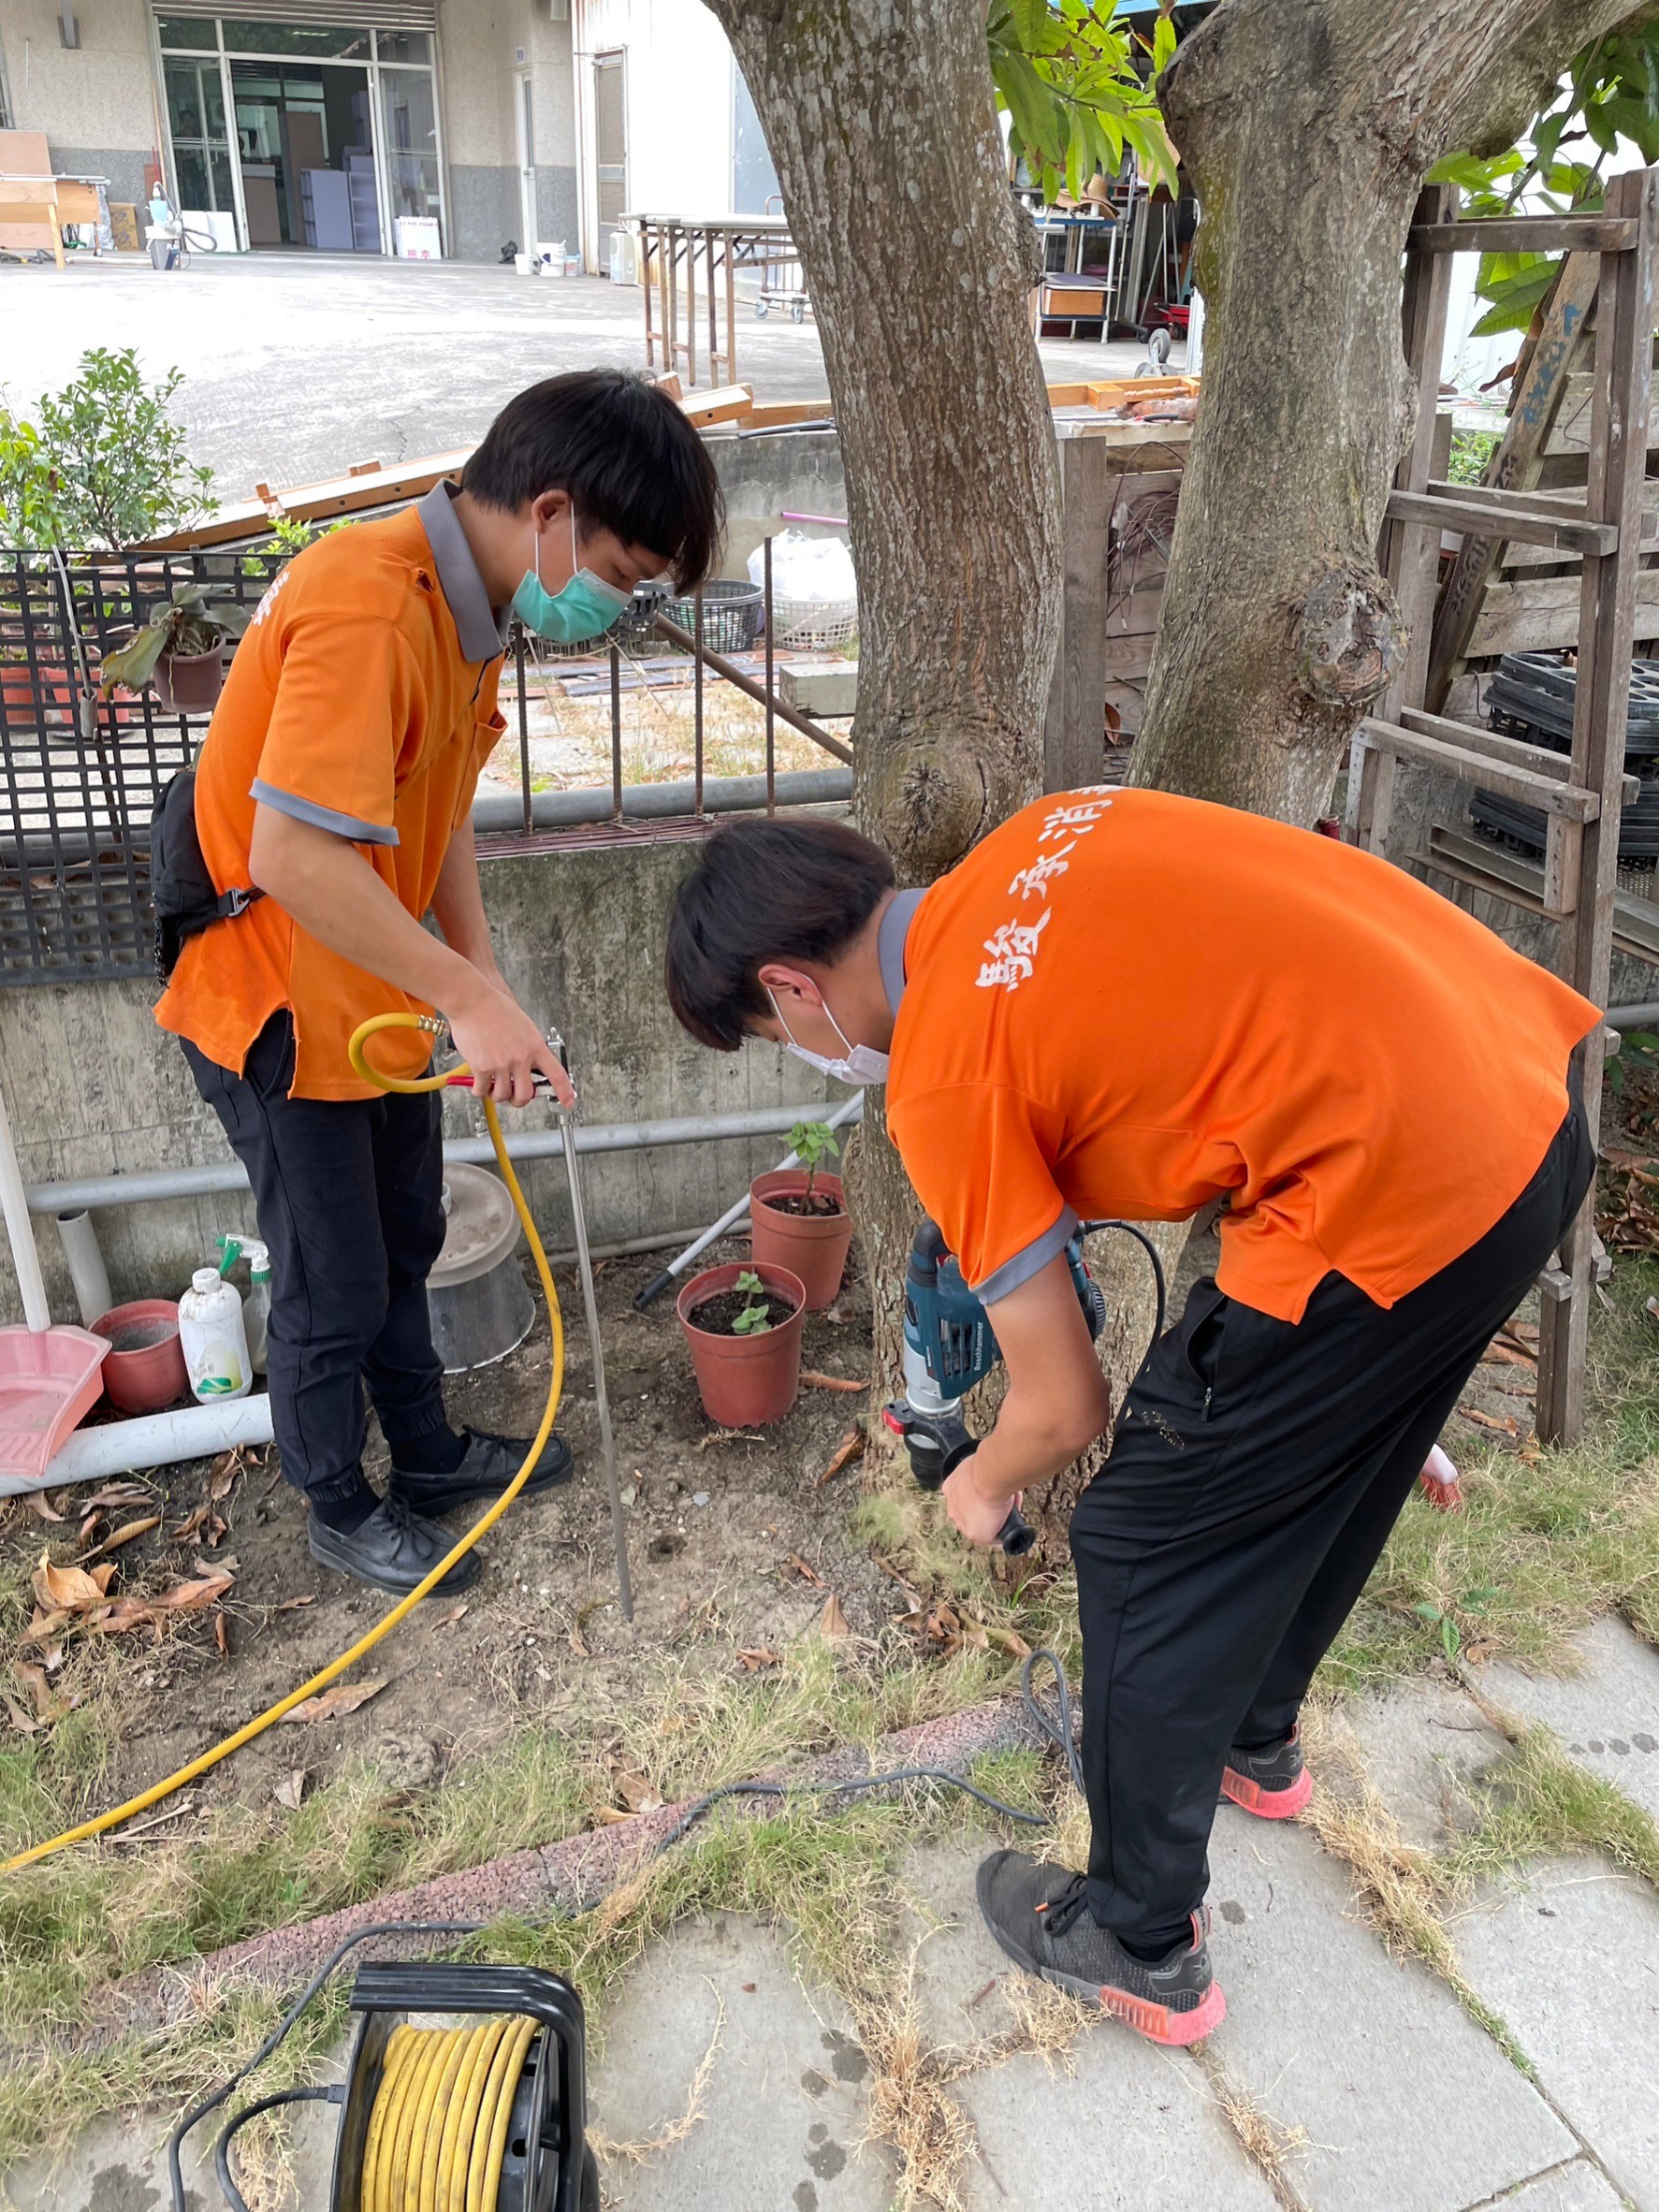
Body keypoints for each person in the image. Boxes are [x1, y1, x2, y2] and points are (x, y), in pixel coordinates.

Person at [662, 788, 1598, 2044]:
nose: (801, 1051)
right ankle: (1252, 1740)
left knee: (1135, 1540)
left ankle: (1139, 1936)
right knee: (1329, 1458)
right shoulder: (1040, 832)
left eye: (772, 1033)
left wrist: (979, 1482)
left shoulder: (943, 1073)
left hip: (1395, 1184)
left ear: (787, 987)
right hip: (1520, 1102)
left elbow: (1063, 1406)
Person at [157, 370, 721, 1595]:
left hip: (370, 990)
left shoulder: (461, 613)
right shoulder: (368, 603)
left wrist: (480, 981)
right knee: (333, 1282)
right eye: (621, 574)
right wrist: (466, 1000)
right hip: (276, 1001)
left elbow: (440, 808)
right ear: (553, 513)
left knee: (406, 1237)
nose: (616, 605)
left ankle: (425, 1456)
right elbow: (291, 854)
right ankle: (338, 1505)